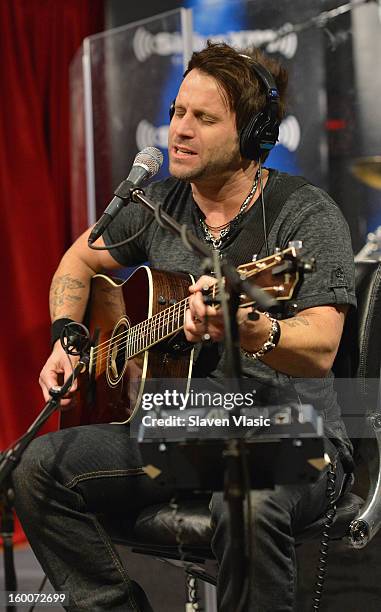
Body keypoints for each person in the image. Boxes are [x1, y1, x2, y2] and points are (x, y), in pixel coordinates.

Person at [12, 42, 356, 611]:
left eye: (203, 118)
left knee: (248, 497)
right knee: (33, 469)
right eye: (177, 112)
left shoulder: (306, 214)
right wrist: (66, 337)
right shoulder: (156, 203)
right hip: (180, 429)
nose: (179, 129)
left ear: (251, 135)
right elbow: (78, 261)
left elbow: (320, 345)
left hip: (289, 433)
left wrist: (253, 333)